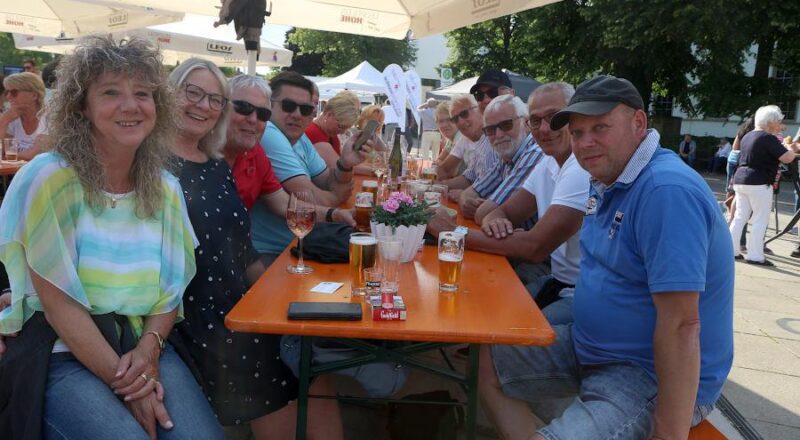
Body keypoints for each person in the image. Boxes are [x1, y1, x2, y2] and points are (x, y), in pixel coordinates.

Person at [478, 75, 734, 440]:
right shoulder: (609, 177)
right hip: (589, 346)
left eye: (600, 127)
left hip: (645, 374)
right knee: (484, 362)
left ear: (639, 123)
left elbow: (682, 326)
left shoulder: (665, 191)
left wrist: (667, 434)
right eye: (578, 132)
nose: (586, 143)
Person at [0, 36, 224, 440]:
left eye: (143, 93)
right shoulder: (50, 178)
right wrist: (132, 387)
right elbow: (60, 307)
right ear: (81, 107)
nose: (130, 105)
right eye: (110, 92)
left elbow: (169, 294)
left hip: (143, 347)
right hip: (62, 352)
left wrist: (148, 353)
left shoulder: (166, 188)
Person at [428, 82, 586, 325]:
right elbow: (494, 211)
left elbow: (535, 247)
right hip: (558, 280)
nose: (545, 128)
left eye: (555, 118)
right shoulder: (549, 161)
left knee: (492, 318)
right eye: (536, 121)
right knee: (483, 305)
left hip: (580, 292)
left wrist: (452, 233)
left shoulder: (579, 167)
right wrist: (498, 220)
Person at [252, 71, 370, 262]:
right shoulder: (269, 133)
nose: (297, 115)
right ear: (269, 105)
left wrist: (346, 164)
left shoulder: (300, 137)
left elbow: (328, 183)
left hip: (305, 245)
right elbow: (319, 199)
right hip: (274, 254)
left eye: (306, 109)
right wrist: (334, 205)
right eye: (288, 106)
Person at [456, 94, 543, 221]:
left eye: (506, 125)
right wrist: (465, 199)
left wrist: (480, 207)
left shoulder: (534, 154)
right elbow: (468, 193)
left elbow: (484, 214)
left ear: (526, 123)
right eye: (490, 130)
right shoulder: (507, 156)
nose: (498, 135)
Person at [729, 105, 795, 266]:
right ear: (770, 122)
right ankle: (755, 255)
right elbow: (787, 158)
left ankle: (731, 250)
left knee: (739, 217)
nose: (780, 125)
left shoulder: (749, 135)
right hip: (759, 181)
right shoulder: (768, 138)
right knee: (760, 219)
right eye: (778, 121)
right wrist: (790, 148)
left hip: (741, 179)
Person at [438, 94, 500, 196]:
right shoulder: (478, 140)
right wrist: (440, 186)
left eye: (464, 114)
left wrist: (465, 195)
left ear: (479, 110)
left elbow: (495, 189)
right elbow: (469, 177)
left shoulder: (494, 139)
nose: (461, 122)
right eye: (455, 119)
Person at [306, 91, 360, 169]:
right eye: (341, 126)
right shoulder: (314, 133)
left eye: (346, 128)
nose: (343, 131)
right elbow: (339, 168)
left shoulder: (330, 135)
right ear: (329, 115)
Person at [0, 72, 48, 160]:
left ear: (34, 95)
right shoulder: (12, 117)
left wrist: (6, 157)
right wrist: (3, 121)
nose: (8, 96)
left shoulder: (49, 118)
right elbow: (2, 150)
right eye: (7, 92)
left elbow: (33, 155)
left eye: (14, 92)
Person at [433, 101, 463, 170]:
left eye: (449, 120)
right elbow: (438, 161)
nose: (444, 125)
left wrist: (440, 165)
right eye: (441, 121)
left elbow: (446, 170)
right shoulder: (451, 139)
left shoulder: (460, 137)